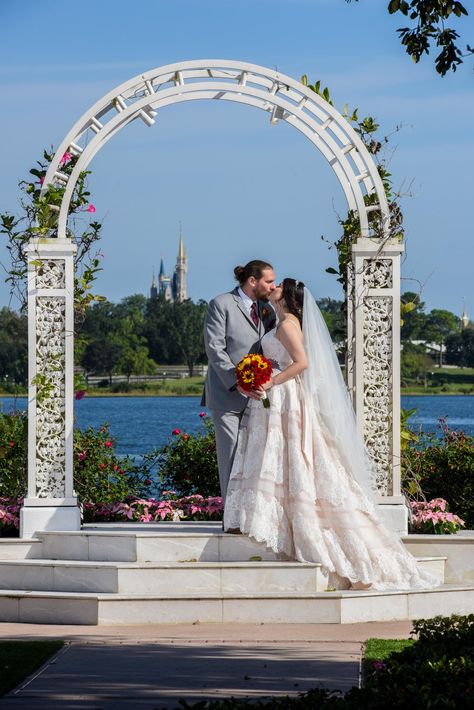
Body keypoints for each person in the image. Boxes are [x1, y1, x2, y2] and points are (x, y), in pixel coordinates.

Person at [224, 278, 438, 591]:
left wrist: (271, 381)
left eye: (278, 286)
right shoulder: (280, 321)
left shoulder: (287, 325)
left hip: (285, 395)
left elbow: (302, 363)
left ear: (288, 296)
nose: (273, 288)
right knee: (279, 455)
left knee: (291, 455)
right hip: (278, 397)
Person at [203, 260, 276, 503]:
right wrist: (237, 381)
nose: (272, 286)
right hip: (227, 395)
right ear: (252, 281)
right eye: (269, 281)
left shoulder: (268, 310)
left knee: (256, 457)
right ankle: (231, 517)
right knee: (232, 456)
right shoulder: (221, 304)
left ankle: (250, 512)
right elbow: (215, 349)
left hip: (259, 396)